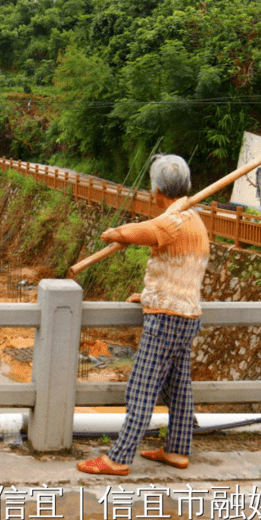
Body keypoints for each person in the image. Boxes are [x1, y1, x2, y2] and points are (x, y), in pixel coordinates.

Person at [77, 154, 209, 476]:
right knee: (178, 387)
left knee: (141, 387)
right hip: (187, 315)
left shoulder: (174, 220)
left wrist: (115, 233)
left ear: (156, 190)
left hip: (166, 318)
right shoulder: (194, 220)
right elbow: (178, 272)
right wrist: (149, 295)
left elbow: (144, 232)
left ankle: (119, 458)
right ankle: (178, 450)